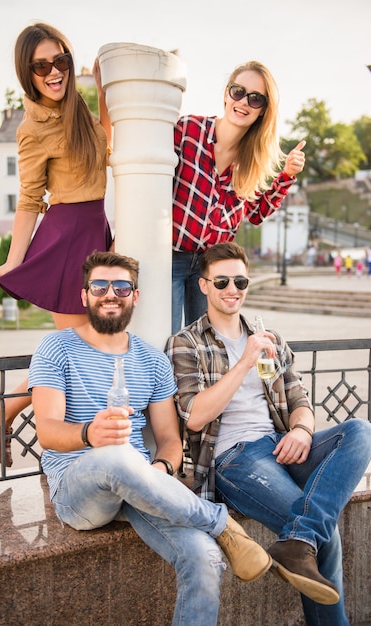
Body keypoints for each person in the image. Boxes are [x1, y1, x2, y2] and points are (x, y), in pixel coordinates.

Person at [28, 250, 272, 626]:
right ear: (84, 295)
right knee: (116, 456)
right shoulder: (56, 347)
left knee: (204, 558)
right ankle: (222, 524)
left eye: (122, 286)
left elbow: (169, 440)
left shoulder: (152, 361)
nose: (111, 294)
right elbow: (46, 432)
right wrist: (89, 433)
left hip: (141, 485)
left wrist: (159, 469)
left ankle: (212, 534)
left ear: (135, 296)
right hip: (78, 490)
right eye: (100, 286)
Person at [165, 241, 371, 625]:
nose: (232, 289)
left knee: (360, 430)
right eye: (222, 281)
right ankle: (304, 541)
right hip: (234, 458)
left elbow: (301, 401)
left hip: (282, 446)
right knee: (325, 537)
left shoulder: (267, 336)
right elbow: (194, 416)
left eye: (240, 281)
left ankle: (298, 540)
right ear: (204, 286)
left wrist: (303, 432)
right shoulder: (186, 343)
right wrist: (244, 361)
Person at [0, 23, 113, 467]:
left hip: (95, 231)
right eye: (41, 65)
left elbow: (108, 148)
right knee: (78, 348)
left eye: (61, 61)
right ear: (27, 72)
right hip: (67, 234)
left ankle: (15, 417)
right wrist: (12, 265)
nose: (53, 72)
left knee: (86, 349)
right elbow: (29, 201)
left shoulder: (80, 110)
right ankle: (12, 416)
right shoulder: (31, 128)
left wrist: (107, 95)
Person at [171, 60, 306, 333]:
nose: (244, 101)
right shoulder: (187, 131)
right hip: (170, 258)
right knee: (166, 339)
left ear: (263, 110)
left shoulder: (252, 162)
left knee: (207, 345)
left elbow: (256, 214)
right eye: (238, 91)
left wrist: (287, 175)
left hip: (213, 268)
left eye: (255, 98)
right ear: (226, 94)